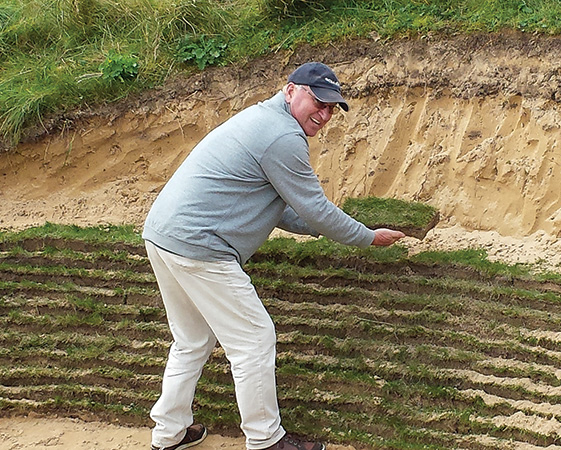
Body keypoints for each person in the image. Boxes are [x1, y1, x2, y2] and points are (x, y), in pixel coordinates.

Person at [142, 61, 406, 450]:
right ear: (290, 91)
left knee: (192, 340)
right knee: (253, 339)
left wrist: (323, 226)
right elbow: (315, 208)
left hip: (163, 235)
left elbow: (282, 208)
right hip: (201, 245)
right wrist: (366, 237)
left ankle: (169, 432)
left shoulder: (262, 119)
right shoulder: (282, 136)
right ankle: (266, 441)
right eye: (318, 102)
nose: (324, 114)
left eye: (332, 108)